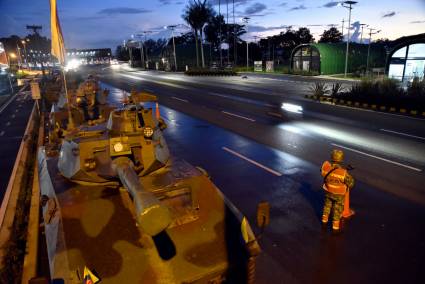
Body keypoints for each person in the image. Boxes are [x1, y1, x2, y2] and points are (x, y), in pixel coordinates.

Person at [321, 149, 355, 231]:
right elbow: (351, 183)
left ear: (332, 158)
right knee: (337, 210)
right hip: (338, 195)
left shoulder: (326, 169)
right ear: (341, 159)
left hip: (328, 191)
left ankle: (324, 221)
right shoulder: (343, 173)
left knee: (327, 206)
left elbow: (323, 172)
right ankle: (335, 228)